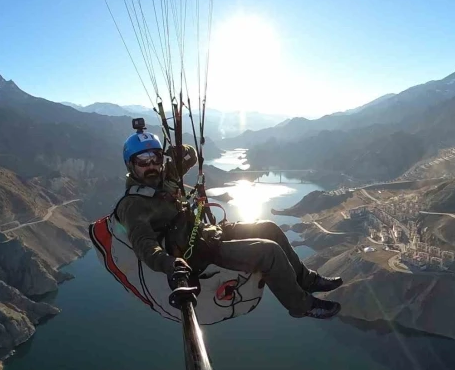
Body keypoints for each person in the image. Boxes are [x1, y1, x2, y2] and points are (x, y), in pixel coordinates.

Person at [115, 128, 343, 319]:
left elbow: (191, 156)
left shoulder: (166, 178)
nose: (151, 165)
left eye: (155, 158)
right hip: (195, 252)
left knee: (269, 228)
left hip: (205, 233)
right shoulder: (133, 205)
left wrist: (175, 151)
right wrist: (169, 264)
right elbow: (144, 244)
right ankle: (301, 305)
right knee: (268, 252)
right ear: (130, 165)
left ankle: (307, 280)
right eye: (143, 161)